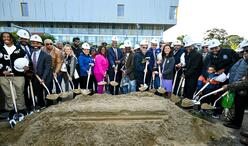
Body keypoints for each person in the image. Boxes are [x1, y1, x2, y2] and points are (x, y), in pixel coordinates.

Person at [222, 46, 248, 145]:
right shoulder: (243, 60)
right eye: (244, 51)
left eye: (246, 52)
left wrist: (230, 86)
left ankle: (236, 124)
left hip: (242, 89)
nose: (245, 53)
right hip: (238, 87)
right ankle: (235, 122)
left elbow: (246, 83)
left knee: (240, 106)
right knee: (237, 105)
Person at [0, 32, 27, 125]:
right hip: (4, 75)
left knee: (20, 92)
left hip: (18, 75)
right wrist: (2, 71)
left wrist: (26, 67)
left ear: (12, 38)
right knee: (8, 94)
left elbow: (26, 60)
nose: (6, 38)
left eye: (8, 37)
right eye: (4, 37)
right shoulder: (0, 48)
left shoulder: (19, 49)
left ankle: (22, 110)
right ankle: (11, 111)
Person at [30, 34, 52, 108]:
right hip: (35, 77)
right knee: (38, 92)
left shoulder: (46, 56)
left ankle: (49, 106)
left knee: (47, 92)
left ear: (41, 44)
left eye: (37, 43)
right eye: (33, 43)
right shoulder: (31, 53)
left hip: (45, 77)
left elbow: (47, 68)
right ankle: (41, 105)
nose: (35, 45)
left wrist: (43, 78)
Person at [16, 29, 33, 112]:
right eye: (22, 38)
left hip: (31, 71)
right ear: (19, 38)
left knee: (32, 88)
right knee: (24, 90)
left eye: (26, 39)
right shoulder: (16, 48)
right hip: (21, 72)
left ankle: (33, 103)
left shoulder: (30, 47)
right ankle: (27, 106)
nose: (24, 40)